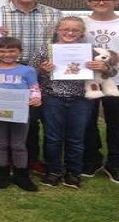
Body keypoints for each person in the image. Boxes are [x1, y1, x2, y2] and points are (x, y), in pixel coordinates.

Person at [30, 17, 107, 189]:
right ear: (58, 30)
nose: (70, 33)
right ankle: (53, 171)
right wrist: (42, 69)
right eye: (65, 29)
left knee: (76, 138)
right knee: (52, 137)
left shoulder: (91, 51)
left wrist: (103, 67)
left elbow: (111, 70)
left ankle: (73, 173)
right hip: (52, 98)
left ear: (82, 33)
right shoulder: (45, 49)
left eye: (75, 30)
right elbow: (30, 72)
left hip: (81, 99)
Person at [1, 0, 62, 173]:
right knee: (11, 119)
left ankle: (33, 158)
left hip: (44, 75)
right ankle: (9, 159)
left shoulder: (54, 15)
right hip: (10, 76)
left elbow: (63, 43)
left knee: (35, 117)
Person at [0, 37, 41, 191]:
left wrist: (36, 98)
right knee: (0, 144)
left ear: (20, 52)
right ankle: (0, 174)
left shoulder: (28, 70)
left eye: (12, 51)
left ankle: (22, 175)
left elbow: (34, 87)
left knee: (19, 145)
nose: (7, 54)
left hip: (20, 113)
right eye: (2, 51)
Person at [82, 0, 119, 183]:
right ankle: (91, 159)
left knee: (116, 124)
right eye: (96, 0)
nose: (101, 3)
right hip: (88, 81)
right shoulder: (81, 23)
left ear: (116, 1)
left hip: (116, 81)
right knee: (87, 123)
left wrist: (110, 66)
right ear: (88, 2)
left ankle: (115, 163)